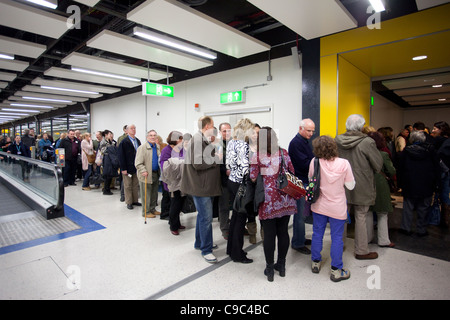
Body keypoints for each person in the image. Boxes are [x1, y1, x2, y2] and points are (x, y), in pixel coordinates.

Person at [250, 127, 297, 281]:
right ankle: (281, 266)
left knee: (269, 235)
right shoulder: (284, 152)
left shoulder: (257, 155)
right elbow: (292, 171)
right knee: (283, 232)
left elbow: (252, 176)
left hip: (268, 200)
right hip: (285, 199)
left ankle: (269, 269)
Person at [335, 114, 383, 260]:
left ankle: (339, 245)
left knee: (341, 216)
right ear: (361, 127)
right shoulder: (367, 142)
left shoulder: (337, 140)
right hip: (362, 184)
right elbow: (378, 164)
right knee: (361, 216)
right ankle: (361, 251)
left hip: (341, 183)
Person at [309, 135, 355, 282]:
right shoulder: (344, 163)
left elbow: (311, 180)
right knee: (336, 238)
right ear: (334, 147)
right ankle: (336, 270)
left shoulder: (314, 162)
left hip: (319, 205)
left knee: (317, 234)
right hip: (337, 206)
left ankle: (315, 262)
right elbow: (350, 185)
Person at [180, 116, 222, 264]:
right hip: (201, 186)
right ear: (207, 126)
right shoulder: (197, 140)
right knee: (206, 218)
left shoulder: (201, 139)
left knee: (202, 216)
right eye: (213, 126)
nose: (214, 128)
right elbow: (198, 164)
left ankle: (200, 243)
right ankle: (206, 249)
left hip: (203, 185)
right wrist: (216, 158)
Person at [398, 131, 440, 236]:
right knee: (424, 207)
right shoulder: (431, 151)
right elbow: (437, 169)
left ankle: (405, 228)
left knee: (408, 207)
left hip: (409, 183)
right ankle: (421, 229)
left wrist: (400, 184)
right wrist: (437, 183)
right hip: (427, 183)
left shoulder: (406, 152)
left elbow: (400, 169)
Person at [226, 118, 255, 264]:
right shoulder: (244, 145)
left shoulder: (231, 142)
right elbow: (245, 169)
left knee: (235, 217)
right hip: (241, 185)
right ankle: (237, 254)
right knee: (240, 219)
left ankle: (231, 249)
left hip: (232, 181)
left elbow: (228, 163)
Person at [288, 118, 315, 255]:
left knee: (303, 214)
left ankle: (301, 238)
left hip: (305, 180)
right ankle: (297, 243)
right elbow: (303, 164)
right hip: (300, 182)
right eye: (308, 131)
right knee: (300, 214)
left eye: (312, 131)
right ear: (301, 129)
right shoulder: (296, 143)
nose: (311, 134)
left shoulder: (304, 141)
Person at [367, 131, 395, 248]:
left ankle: (367, 238)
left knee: (367, 212)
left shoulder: (364, 153)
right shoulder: (383, 155)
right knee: (382, 213)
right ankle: (383, 240)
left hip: (367, 183)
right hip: (380, 185)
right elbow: (392, 171)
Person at [160, 131, 186, 234]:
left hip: (181, 180)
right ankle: (173, 226)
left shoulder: (181, 149)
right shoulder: (166, 150)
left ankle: (177, 222)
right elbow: (165, 166)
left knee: (180, 203)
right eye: (180, 139)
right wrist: (180, 162)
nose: (182, 140)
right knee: (175, 204)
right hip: (172, 181)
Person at [135, 130, 161, 218]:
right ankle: (145, 212)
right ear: (147, 137)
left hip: (155, 173)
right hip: (146, 174)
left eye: (154, 135)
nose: (153, 137)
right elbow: (138, 163)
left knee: (154, 193)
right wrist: (143, 170)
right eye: (151, 135)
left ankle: (152, 209)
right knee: (146, 194)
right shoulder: (142, 148)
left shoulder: (157, 146)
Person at [118, 124, 141, 210]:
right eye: (131, 128)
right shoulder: (124, 142)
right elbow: (121, 156)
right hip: (127, 167)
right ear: (127, 131)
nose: (133, 130)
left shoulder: (137, 141)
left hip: (136, 167)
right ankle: (129, 202)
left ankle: (135, 200)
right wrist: (123, 168)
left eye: (134, 128)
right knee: (128, 185)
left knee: (135, 184)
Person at [218, 122, 232, 239]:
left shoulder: (234, 143)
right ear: (220, 132)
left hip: (235, 180)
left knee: (236, 205)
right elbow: (216, 163)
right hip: (223, 180)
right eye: (224, 131)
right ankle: (225, 229)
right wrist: (225, 171)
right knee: (224, 207)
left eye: (229, 130)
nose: (227, 133)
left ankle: (237, 226)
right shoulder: (216, 145)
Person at [98, 130, 115, 195]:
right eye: (110, 134)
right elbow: (103, 150)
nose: (111, 136)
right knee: (106, 175)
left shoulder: (111, 141)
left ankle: (108, 188)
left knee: (110, 175)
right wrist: (110, 148)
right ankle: (105, 189)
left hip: (111, 160)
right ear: (106, 135)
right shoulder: (103, 142)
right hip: (106, 160)